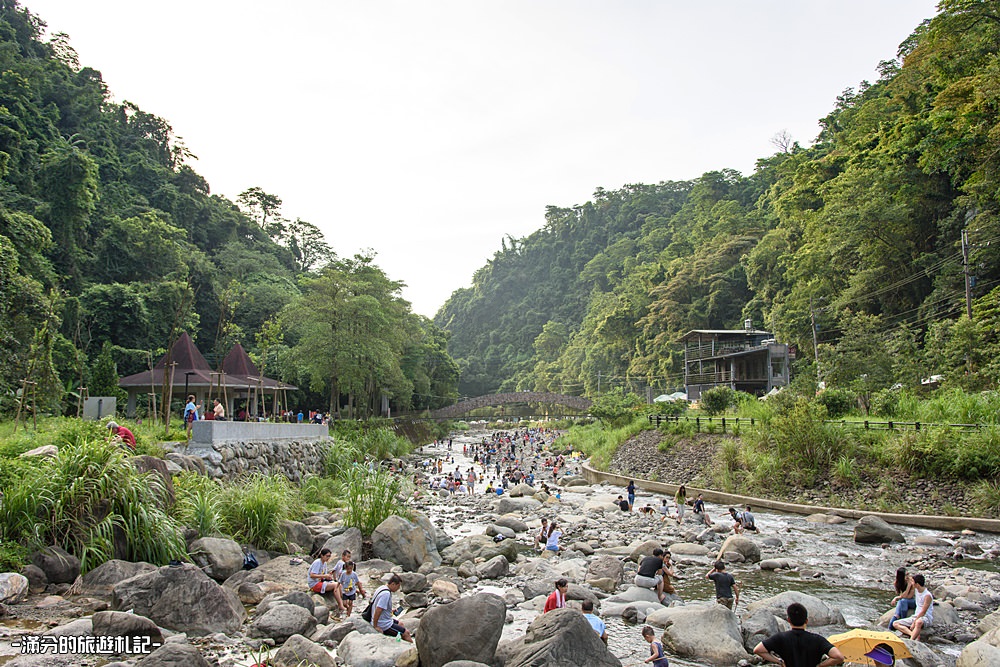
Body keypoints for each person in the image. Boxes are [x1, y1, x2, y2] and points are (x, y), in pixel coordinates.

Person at [753, 602, 845, 667]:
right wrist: (820, 665)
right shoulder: (818, 640)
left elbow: (758, 650)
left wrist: (779, 661)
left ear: (789, 620)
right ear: (806, 621)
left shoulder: (781, 638)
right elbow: (839, 657)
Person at [370, 574, 412, 642]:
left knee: (401, 624)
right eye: (398, 586)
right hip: (384, 624)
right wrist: (375, 626)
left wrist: (390, 611)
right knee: (406, 633)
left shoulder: (382, 588)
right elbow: (378, 609)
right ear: (393, 584)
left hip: (384, 619)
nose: (398, 589)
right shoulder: (386, 594)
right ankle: (414, 650)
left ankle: (401, 641)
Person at [892, 574, 933, 641]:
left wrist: (914, 622)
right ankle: (912, 634)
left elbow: (923, 611)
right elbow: (905, 595)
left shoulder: (927, 595)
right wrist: (896, 598)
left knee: (918, 622)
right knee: (895, 623)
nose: (912, 583)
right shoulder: (916, 590)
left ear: (917, 584)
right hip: (915, 616)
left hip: (925, 617)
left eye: (913, 582)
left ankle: (911, 640)